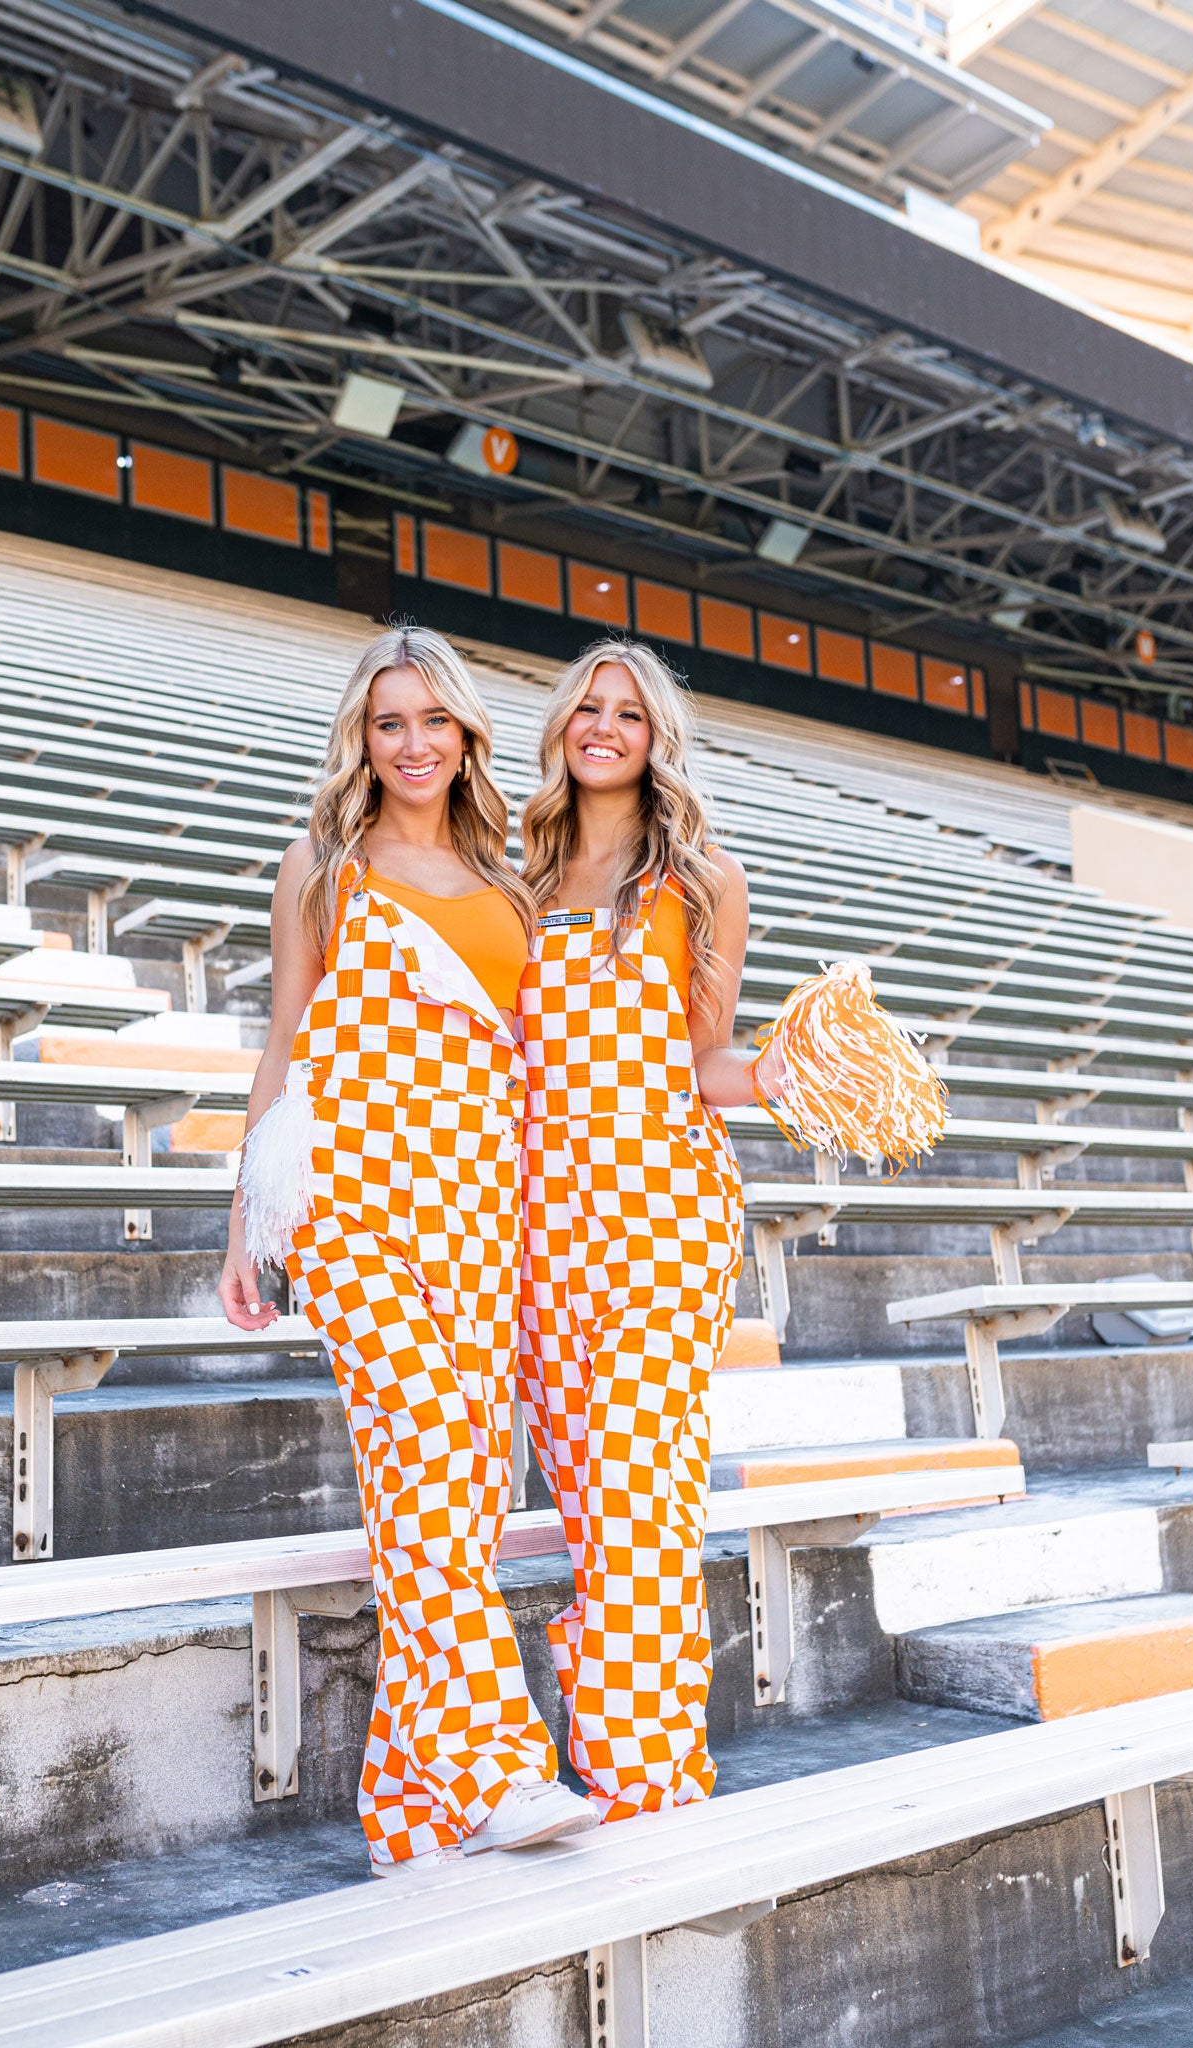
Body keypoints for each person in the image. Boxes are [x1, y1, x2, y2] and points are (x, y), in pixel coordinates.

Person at [220, 625, 596, 1876]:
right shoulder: (321, 869)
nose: (415, 742)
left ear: (468, 735)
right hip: (354, 1203)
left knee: (442, 1503)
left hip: (478, 1214)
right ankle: (498, 1765)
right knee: (432, 1456)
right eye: (390, 722)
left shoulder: (512, 882)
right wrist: (244, 1221)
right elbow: (282, 1044)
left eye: (435, 720)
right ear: (362, 738)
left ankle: (409, 1805)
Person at [516, 636, 774, 1823]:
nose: (604, 724)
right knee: (586, 1488)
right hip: (533, 1213)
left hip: (661, 1202)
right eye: (588, 705)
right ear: (563, 723)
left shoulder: (704, 879)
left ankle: (648, 1772)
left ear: (656, 736)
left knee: (642, 1483)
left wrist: (779, 1072)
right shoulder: (508, 868)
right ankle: (605, 1758)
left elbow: (702, 1056)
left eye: (628, 710)